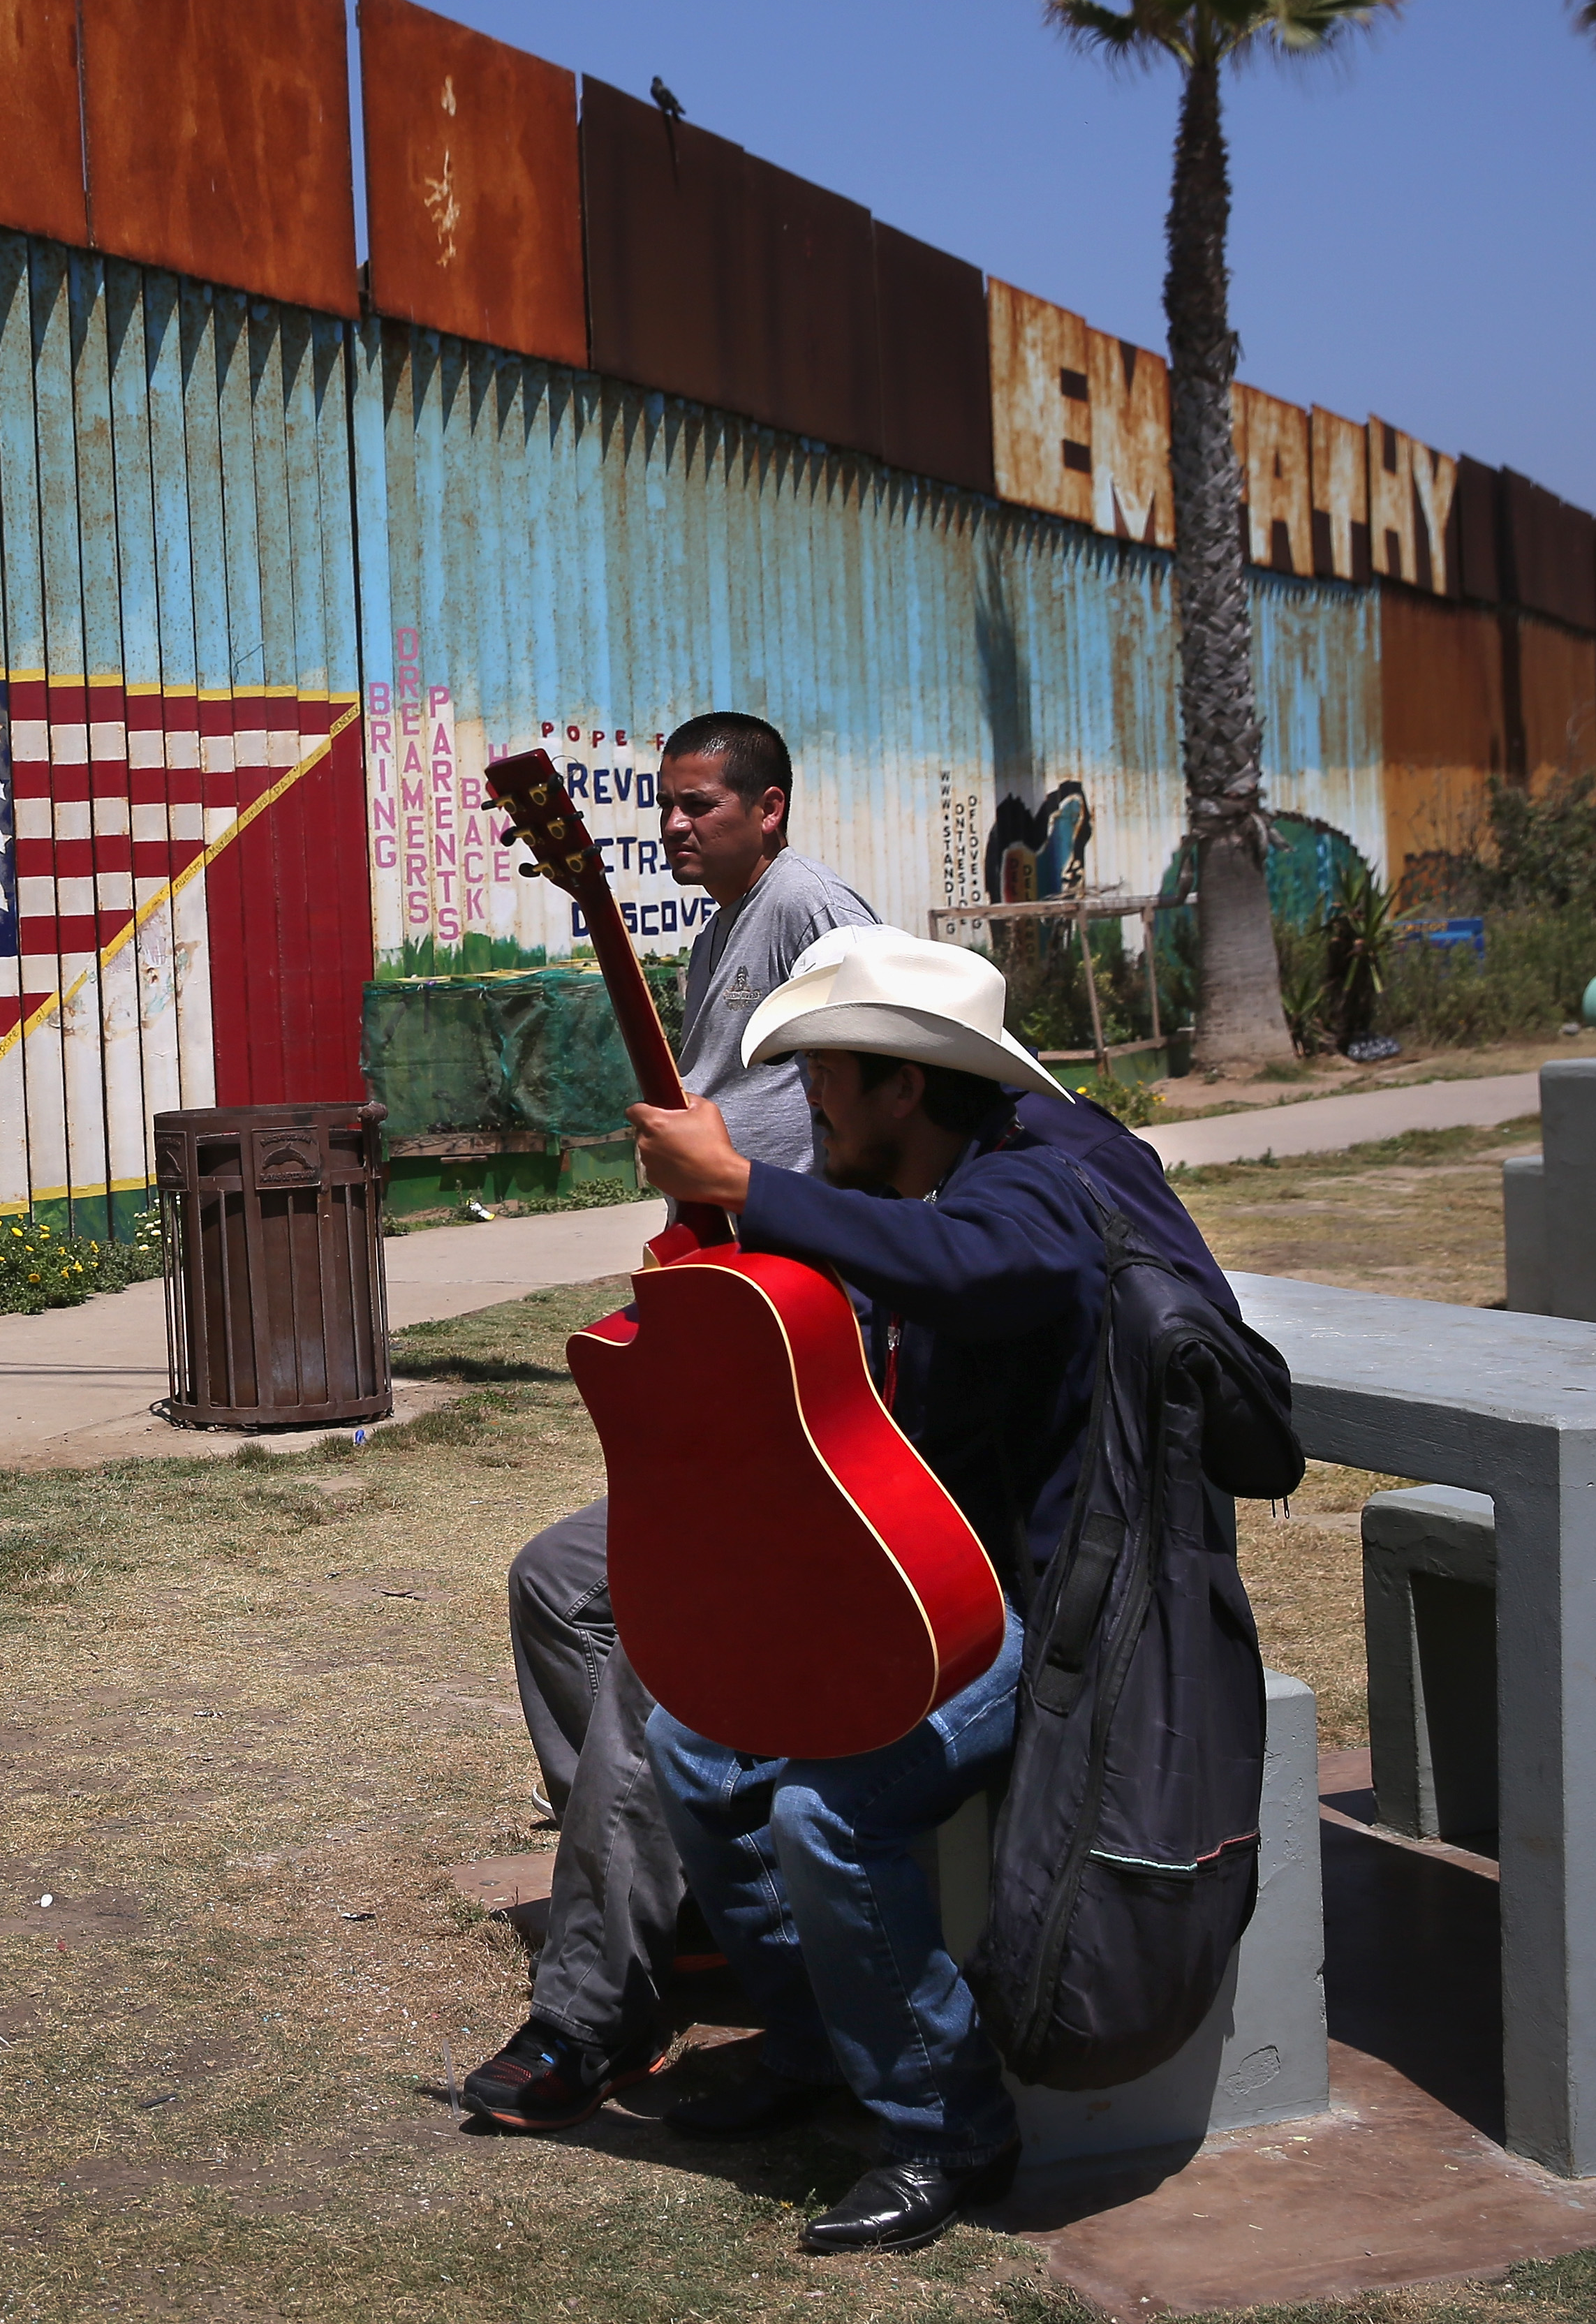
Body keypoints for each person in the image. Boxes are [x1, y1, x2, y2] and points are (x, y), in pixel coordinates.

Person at [619, 926, 1232, 2251]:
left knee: (824, 1808)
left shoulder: (1040, 1190)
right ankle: (812, 2044)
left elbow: (978, 1271)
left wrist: (746, 1183)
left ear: (901, 1084)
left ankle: (941, 2123)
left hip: (1059, 1611)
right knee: (690, 1740)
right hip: (926, 1576)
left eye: (826, 1078)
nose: (808, 1106)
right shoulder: (957, 1165)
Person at [460, 713, 877, 2131]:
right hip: (747, 1327)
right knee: (558, 1583)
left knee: (656, 1641)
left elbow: (864, 1121)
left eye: (701, 805)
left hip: (834, 1354)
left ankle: (596, 1999)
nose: (678, 827)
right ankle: (682, 1894)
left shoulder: (813, 908)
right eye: (664, 809)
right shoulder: (711, 941)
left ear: (770, 805)